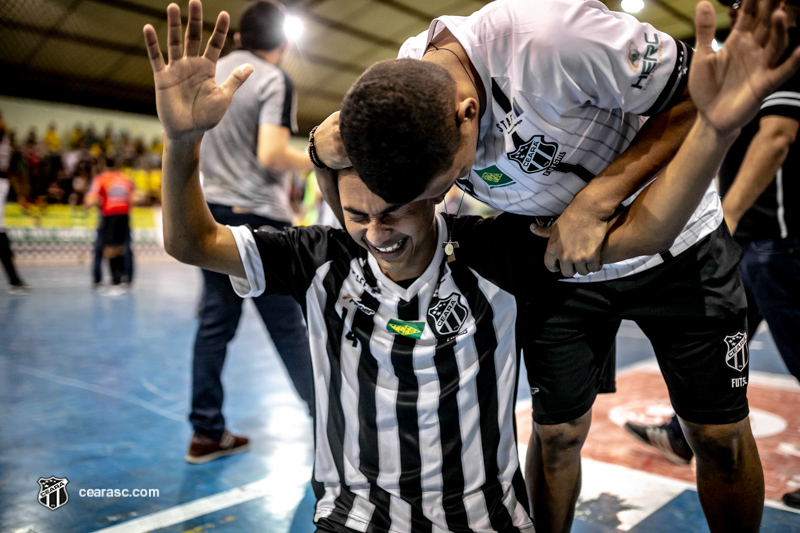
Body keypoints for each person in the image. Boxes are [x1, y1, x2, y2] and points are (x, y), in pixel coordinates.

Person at [143, 0, 799, 528]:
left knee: (716, 433)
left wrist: (601, 196)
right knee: (559, 431)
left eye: (431, 195)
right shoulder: (395, 119)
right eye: (370, 212)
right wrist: (211, 141)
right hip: (556, 259)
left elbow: (684, 130)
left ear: (470, 115)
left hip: (672, 240)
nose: (383, 230)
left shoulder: (553, 37)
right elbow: (211, 233)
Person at [624, 0, 800, 511]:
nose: (736, 10)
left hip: (776, 239)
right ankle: (683, 437)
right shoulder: (759, 53)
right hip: (759, 242)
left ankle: (683, 436)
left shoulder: (786, 49)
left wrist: (728, 219)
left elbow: (776, 138)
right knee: (724, 337)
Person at [179, 0, 316, 464]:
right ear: (282, 42)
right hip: (258, 220)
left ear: (238, 38)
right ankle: (330, 420)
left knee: (214, 324)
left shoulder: (213, 74)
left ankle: (205, 433)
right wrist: (322, 159)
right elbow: (272, 154)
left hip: (212, 211)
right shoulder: (274, 78)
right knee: (288, 327)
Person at [84, 158, 136, 295]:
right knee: (123, 248)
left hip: (109, 215)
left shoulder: (101, 179)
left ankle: (111, 281)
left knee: (108, 248)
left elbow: (90, 199)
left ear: (103, 165)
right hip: (124, 215)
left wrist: (88, 205)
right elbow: (134, 198)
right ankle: (126, 279)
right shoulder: (125, 179)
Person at [0, 124, 30, 295]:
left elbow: (10, 171)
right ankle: (14, 280)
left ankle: (14, 280)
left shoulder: (6, 142)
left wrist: (19, 195)